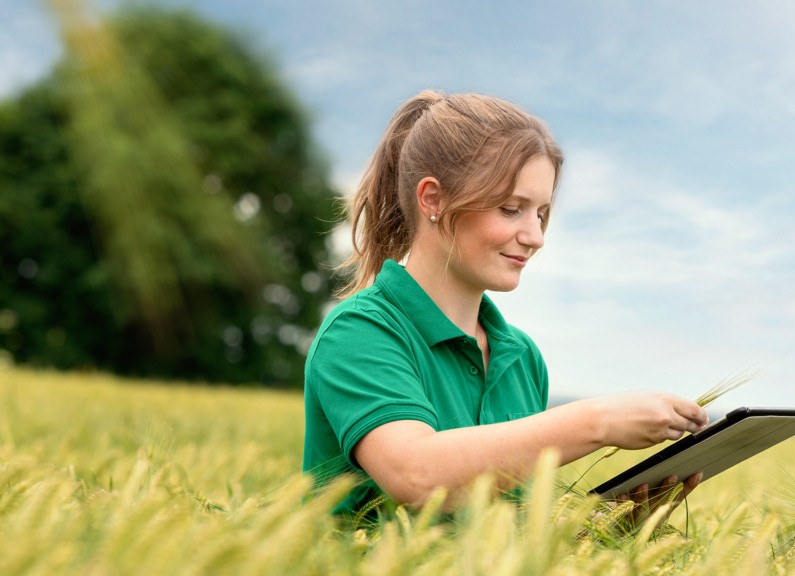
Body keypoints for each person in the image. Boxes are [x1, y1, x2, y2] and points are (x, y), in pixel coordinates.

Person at [302, 90, 709, 518]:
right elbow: (416, 475)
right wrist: (598, 422)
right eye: (511, 208)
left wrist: (605, 530)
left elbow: (498, 527)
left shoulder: (522, 358)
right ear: (433, 200)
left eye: (541, 213)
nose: (536, 237)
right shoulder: (359, 332)